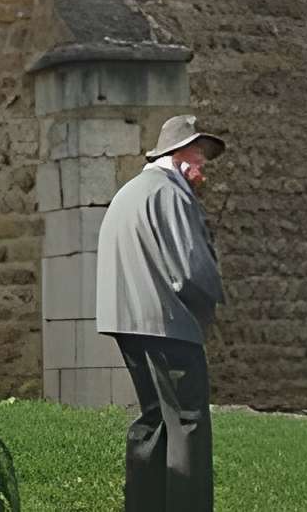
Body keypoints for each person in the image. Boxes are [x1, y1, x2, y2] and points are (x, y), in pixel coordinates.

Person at [94, 114, 225, 512]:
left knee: (154, 419)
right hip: (168, 324)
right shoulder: (171, 192)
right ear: (180, 153)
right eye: (200, 159)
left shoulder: (131, 191)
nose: (202, 172)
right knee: (188, 423)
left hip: (127, 321)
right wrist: (212, 302)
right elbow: (191, 270)